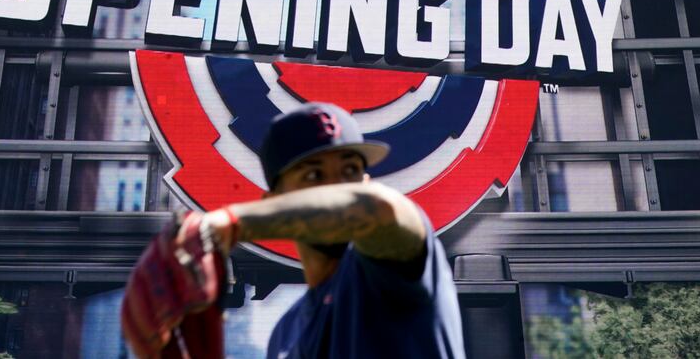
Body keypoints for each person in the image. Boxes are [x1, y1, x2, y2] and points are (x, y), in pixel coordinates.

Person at [124, 102, 466, 359]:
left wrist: (226, 223)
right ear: (275, 200)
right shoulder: (286, 333)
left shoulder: (399, 264)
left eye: (349, 172)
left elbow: (377, 210)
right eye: (314, 176)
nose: (336, 188)